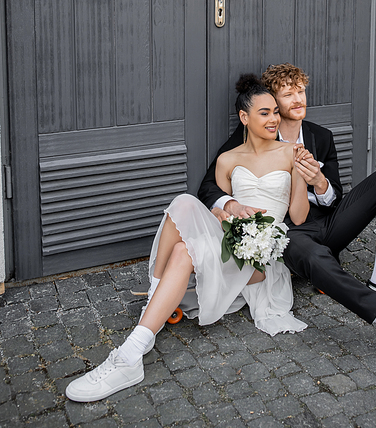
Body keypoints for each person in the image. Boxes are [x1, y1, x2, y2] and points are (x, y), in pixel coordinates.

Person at [198, 63, 376, 387]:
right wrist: (232, 204)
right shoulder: (252, 133)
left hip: (327, 221)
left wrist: (320, 182)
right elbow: (209, 187)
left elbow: (336, 197)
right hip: (289, 232)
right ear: (270, 103)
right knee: (312, 256)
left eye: (301, 91)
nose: (297, 99)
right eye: (287, 94)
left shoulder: (321, 136)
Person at [65, 75, 310, 403]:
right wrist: (226, 210)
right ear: (244, 117)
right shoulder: (228, 160)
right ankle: (134, 349)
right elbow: (212, 212)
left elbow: (298, 217)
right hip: (232, 241)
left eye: (275, 112)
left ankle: (142, 329)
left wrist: (308, 178)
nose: (274, 119)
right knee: (182, 215)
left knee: (184, 248)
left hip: (262, 260)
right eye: (264, 113)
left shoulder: (291, 153)